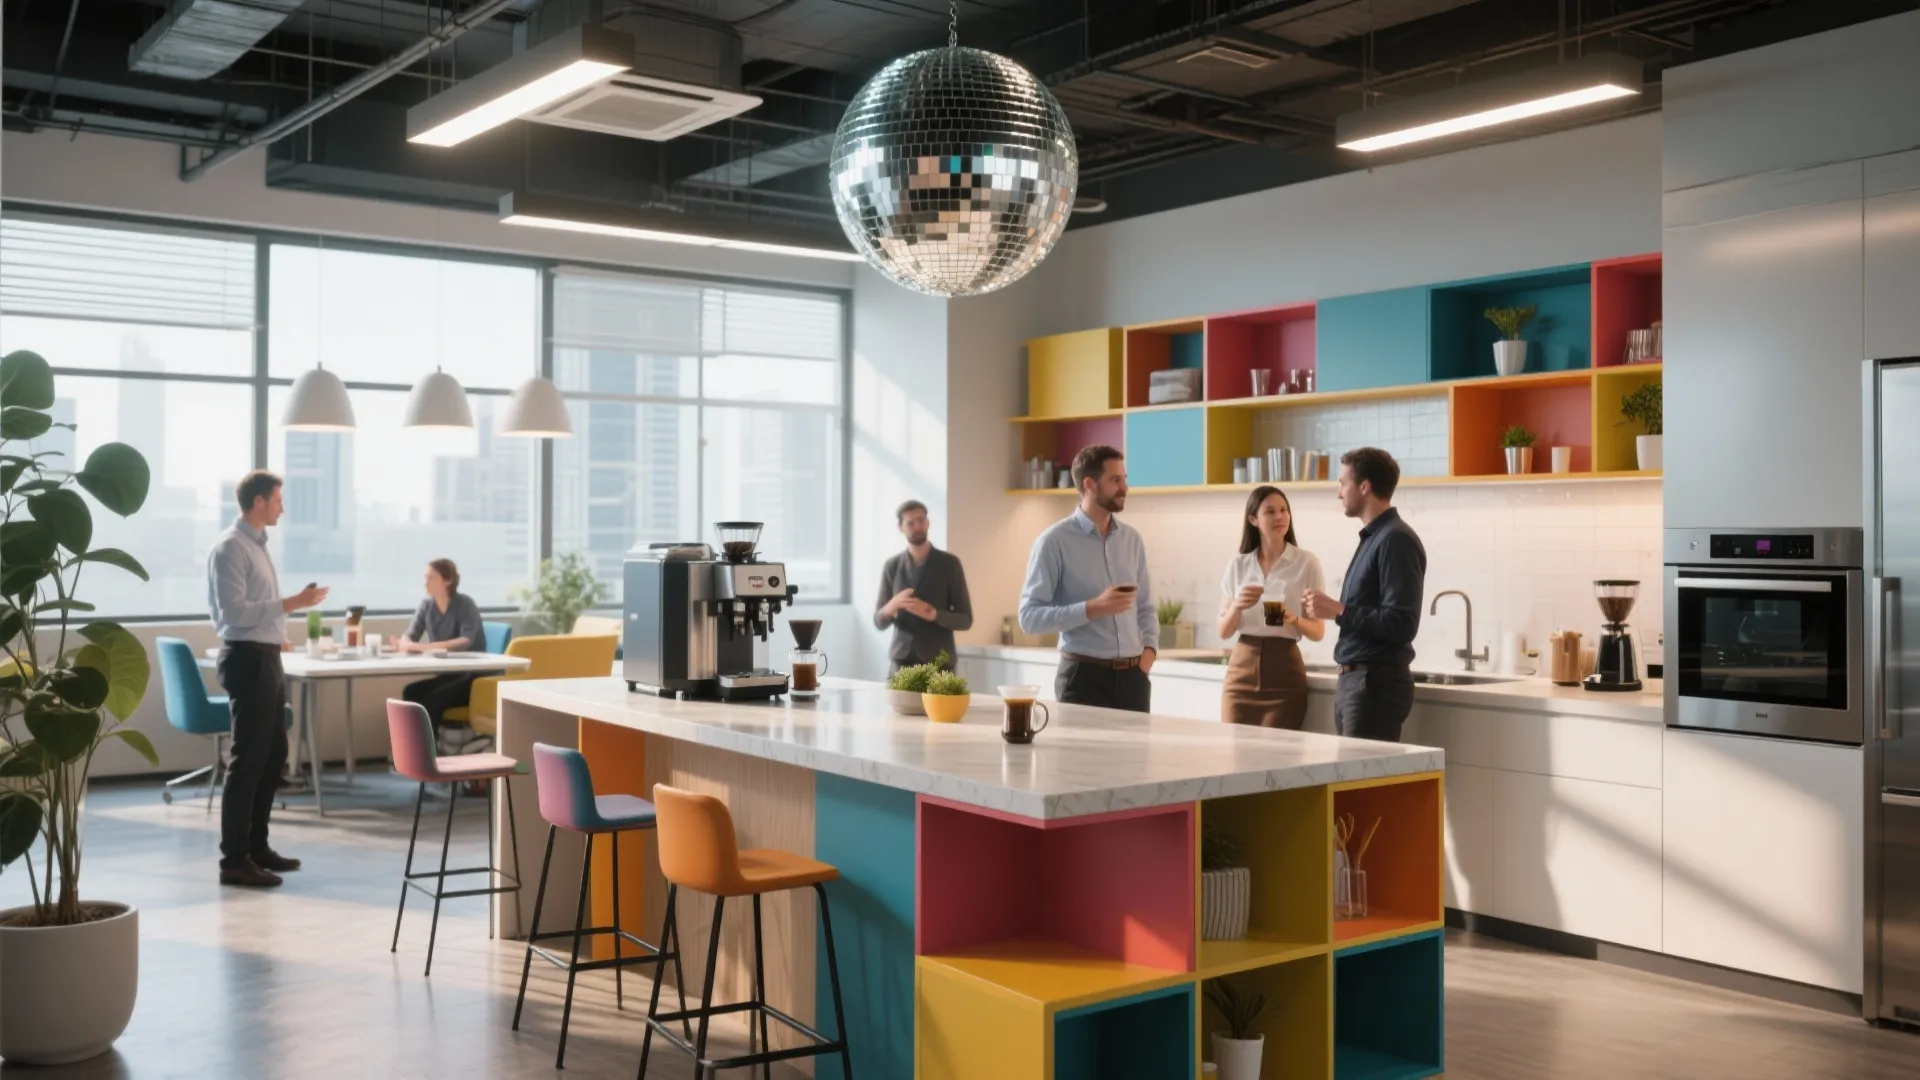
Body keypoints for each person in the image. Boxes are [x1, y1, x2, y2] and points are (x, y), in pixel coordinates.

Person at [206, 470, 328, 888]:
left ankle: (257, 847)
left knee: (273, 756)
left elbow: (257, 611)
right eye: (278, 499)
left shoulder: (257, 546)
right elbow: (236, 613)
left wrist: (278, 635)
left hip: (267, 657)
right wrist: (294, 602)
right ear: (258, 501)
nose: (283, 507)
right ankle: (234, 861)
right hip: (248, 661)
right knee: (248, 762)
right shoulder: (230, 548)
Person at [1018, 444, 1157, 711]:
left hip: (1134, 680)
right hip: (1083, 678)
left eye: (1124, 479)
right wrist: (1092, 608)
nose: (1125, 488)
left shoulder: (1131, 540)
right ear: (1090, 484)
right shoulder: (1054, 542)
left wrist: (1149, 652)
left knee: (1134, 755)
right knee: (1081, 755)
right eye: (1115, 480)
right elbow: (1029, 618)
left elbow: (1146, 607)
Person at [1302, 447, 1427, 742]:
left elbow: (1402, 623)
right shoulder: (1377, 537)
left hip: (1374, 685)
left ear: (1364, 486)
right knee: (1353, 783)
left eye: (1342, 483)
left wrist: (1338, 610)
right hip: (1359, 683)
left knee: (1359, 786)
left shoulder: (1395, 540)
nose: (1339, 493)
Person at [1218, 486, 1327, 729]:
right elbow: (1223, 631)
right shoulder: (1238, 565)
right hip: (1240, 673)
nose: (1279, 517)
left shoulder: (1306, 563)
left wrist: (1291, 618)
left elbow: (1318, 631)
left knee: (1278, 757)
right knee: (1234, 756)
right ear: (1253, 519)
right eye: (1270, 512)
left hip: (1285, 674)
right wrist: (1237, 606)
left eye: (1284, 510)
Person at [873, 500, 973, 673]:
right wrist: (892, 605)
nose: (917, 526)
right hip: (901, 664)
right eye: (910, 523)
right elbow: (879, 621)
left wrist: (934, 614)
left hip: (940, 664)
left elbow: (965, 619)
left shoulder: (950, 564)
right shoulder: (892, 566)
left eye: (921, 520)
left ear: (928, 522)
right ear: (900, 527)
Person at [398, 558, 485, 739]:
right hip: (449, 675)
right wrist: (405, 642)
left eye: (431, 578)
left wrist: (423, 647)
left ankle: (430, 754)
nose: (425, 582)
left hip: (473, 677)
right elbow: (410, 634)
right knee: (411, 692)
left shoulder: (464, 604)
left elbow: (465, 641)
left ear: (447, 580)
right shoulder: (426, 605)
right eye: (425, 577)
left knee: (433, 699)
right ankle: (413, 748)